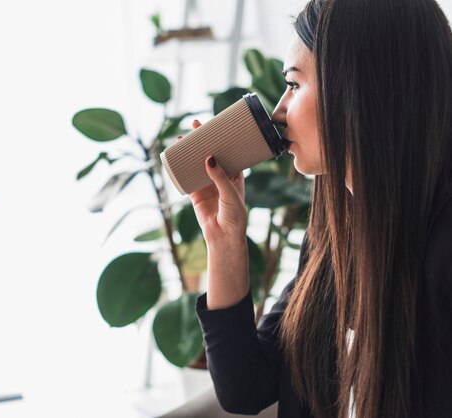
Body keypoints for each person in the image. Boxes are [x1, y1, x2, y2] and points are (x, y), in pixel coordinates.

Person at [186, 0, 452, 417]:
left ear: (361, 87)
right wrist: (225, 243)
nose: (278, 111)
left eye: (293, 85)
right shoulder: (334, 234)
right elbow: (245, 387)